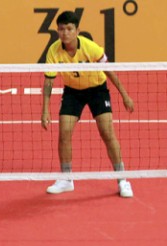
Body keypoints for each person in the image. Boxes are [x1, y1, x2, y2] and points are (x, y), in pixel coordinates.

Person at [41, 11, 135, 197]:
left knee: (107, 133)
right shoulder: (53, 50)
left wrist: (124, 95)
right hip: (72, 92)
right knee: (64, 133)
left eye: (69, 29)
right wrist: (45, 110)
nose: (65, 33)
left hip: (97, 90)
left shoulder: (91, 48)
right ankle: (67, 179)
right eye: (61, 29)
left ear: (77, 31)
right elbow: (49, 82)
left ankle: (123, 179)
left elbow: (109, 71)